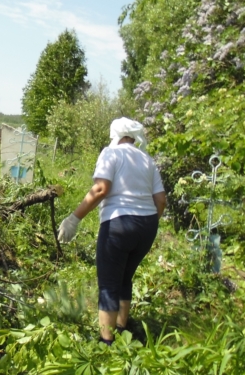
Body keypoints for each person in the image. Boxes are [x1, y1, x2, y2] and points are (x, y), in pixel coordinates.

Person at [57, 117, 166, 345]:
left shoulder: (111, 153)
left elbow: (100, 189)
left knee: (108, 284)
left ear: (115, 135)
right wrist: (146, 222)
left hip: (118, 226)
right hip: (147, 227)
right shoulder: (147, 159)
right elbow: (161, 200)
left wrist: (74, 218)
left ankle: (106, 345)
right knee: (125, 277)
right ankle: (122, 329)